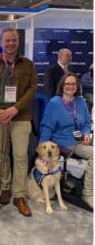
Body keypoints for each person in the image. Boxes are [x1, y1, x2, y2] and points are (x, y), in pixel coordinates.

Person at [0, 27, 38, 217]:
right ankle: (5, 188)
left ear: (17, 42)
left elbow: (32, 89)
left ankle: (19, 195)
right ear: (1, 42)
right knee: (2, 154)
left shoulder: (28, 65)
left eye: (14, 40)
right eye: (7, 41)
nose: (11, 43)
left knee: (20, 156)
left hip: (20, 117)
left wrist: (14, 109)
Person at [39, 73, 93, 209]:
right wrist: (42, 150)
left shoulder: (80, 102)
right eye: (67, 84)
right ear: (62, 85)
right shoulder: (55, 102)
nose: (70, 87)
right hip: (61, 143)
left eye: (73, 84)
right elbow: (46, 127)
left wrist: (86, 133)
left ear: (77, 86)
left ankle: (87, 193)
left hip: (79, 141)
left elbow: (86, 123)